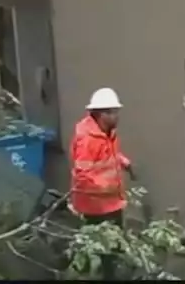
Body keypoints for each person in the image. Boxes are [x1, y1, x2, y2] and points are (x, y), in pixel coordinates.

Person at [70, 87, 134, 278]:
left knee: (114, 246)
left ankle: (110, 273)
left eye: (116, 111)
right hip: (95, 206)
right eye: (111, 112)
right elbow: (83, 175)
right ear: (99, 114)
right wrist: (106, 187)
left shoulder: (107, 132)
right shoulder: (87, 140)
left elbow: (109, 156)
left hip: (111, 202)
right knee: (101, 248)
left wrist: (124, 162)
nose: (116, 116)